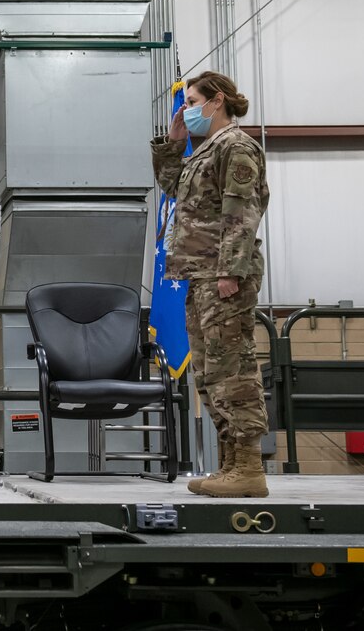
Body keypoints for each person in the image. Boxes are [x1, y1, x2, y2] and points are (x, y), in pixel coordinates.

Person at [150, 71, 270, 498]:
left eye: (193, 101)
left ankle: (250, 467)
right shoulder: (205, 150)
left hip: (222, 276)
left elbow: (242, 212)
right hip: (199, 274)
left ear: (216, 100)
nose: (186, 108)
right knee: (210, 370)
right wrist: (173, 140)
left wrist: (229, 272)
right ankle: (230, 466)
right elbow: (174, 189)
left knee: (233, 368)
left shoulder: (236, 146)